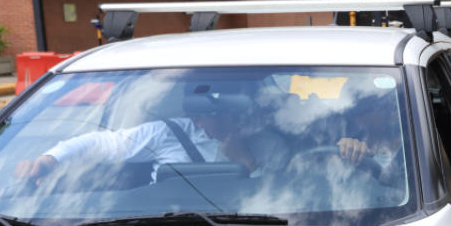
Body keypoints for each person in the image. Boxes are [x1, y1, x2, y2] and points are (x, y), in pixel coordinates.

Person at [15, 89, 289, 185]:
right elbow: (104, 144)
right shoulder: (167, 132)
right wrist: (51, 158)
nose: (230, 119)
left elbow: (280, 195)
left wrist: (247, 161)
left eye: (233, 112)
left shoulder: (269, 144)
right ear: (197, 119)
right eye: (219, 114)